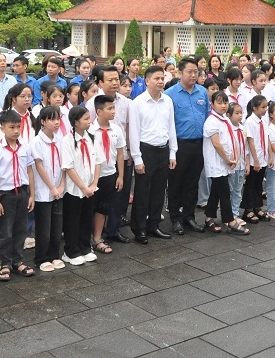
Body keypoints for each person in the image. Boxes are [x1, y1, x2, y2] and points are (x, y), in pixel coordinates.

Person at [128, 65, 177, 244]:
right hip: (145, 150)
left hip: (163, 149)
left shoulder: (168, 101)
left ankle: (153, 224)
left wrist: (173, 152)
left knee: (159, 190)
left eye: (162, 78)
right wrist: (137, 158)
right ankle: (139, 229)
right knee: (142, 192)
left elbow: (171, 127)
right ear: (147, 81)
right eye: (156, 78)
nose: (160, 81)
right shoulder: (138, 103)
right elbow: (134, 132)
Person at [164, 57, 209, 235]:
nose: (193, 75)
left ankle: (189, 216)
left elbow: (206, 115)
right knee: (176, 182)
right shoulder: (170, 94)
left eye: (196, 72)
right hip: (179, 144)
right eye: (189, 72)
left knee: (192, 182)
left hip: (198, 144)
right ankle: (175, 218)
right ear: (179, 73)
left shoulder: (202, 92)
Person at [0, 110, 36, 280]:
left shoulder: (25, 146)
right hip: (5, 194)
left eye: (18, 126)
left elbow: (30, 171)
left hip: (22, 192)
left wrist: (32, 194)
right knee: (5, 231)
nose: (16, 130)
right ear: (2, 128)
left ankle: (17, 260)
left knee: (21, 229)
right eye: (11, 127)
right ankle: (4, 263)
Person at [202, 92, 249, 235]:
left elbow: (231, 140)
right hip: (217, 163)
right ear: (212, 104)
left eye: (225, 103)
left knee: (216, 191)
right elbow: (216, 144)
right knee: (224, 192)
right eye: (219, 103)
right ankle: (230, 221)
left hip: (226, 162)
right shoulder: (211, 121)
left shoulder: (225, 120)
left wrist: (233, 158)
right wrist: (228, 160)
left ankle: (209, 217)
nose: (223, 106)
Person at [60, 105, 101, 265]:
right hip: (74, 189)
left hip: (91, 187)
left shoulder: (92, 137)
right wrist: (83, 187)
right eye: (85, 118)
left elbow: (98, 161)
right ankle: (70, 251)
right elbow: (68, 166)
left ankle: (85, 247)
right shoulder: (67, 140)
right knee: (73, 220)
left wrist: (94, 184)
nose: (89, 121)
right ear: (75, 122)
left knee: (86, 218)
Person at [89, 95, 125, 255]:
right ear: (98, 111)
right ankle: (85, 239)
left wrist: (120, 175)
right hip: (91, 176)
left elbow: (119, 154)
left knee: (103, 208)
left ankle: (98, 238)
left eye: (113, 108)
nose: (113, 111)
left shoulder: (116, 129)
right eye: (109, 108)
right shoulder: (89, 130)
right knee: (88, 207)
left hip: (110, 173)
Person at [31, 107, 66, 272]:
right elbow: (39, 166)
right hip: (44, 191)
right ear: (43, 121)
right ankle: (41, 258)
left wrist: (61, 185)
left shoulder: (60, 140)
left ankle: (54, 255)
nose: (56, 122)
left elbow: (64, 165)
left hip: (58, 190)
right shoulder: (36, 142)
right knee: (44, 226)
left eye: (58, 119)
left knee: (57, 226)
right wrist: (52, 187)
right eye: (52, 119)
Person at [242, 95, 269, 223]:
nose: (265, 109)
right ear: (254, 108)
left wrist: (269, 157)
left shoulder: (263, 121)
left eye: (266, 107)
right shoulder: (249, 122)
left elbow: (266, 139)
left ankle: (257, 206)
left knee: (259, 184)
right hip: (254, 159)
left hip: (262, 157)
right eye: (263, 107)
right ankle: (248, 209)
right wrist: (256, 160)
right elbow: (251, 142)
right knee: (250, 184)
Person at [227, 101, 247, 224]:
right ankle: (229, 215)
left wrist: (246, 163)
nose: (240, 115)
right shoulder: (228, 129)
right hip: (232, 165)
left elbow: (247, 148)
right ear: (229, 115)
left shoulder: (243, 128)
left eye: (241, 113)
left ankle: (235, 213)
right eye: (237, 113)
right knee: (230, 190)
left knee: (238, 191)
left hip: (241, 164)